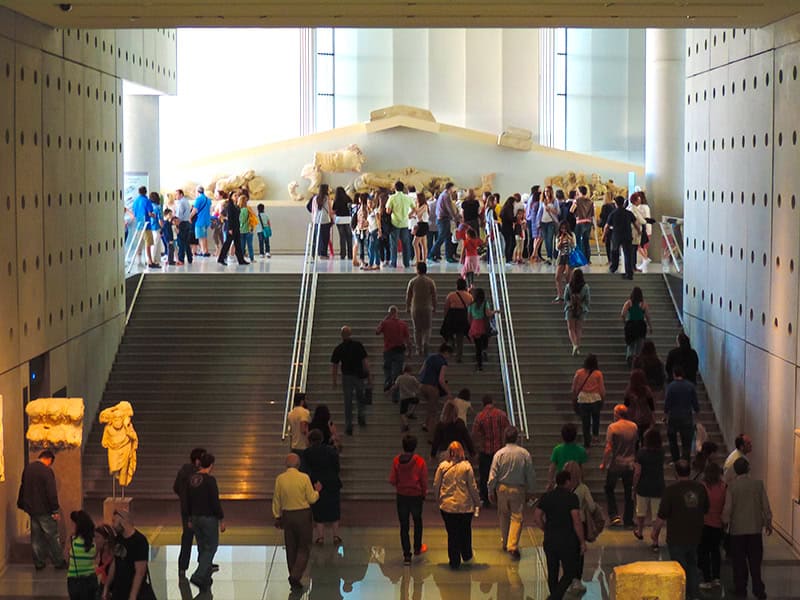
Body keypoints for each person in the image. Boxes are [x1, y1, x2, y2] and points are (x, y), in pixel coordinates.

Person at [650, 460, 709, 600]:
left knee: (679, 569)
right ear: (690, 471)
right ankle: (694, 594)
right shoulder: (700, 488)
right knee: (693, 565)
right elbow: (706, 509)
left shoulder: (671, 490)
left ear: (676, 473)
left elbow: (661, 515)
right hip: (695, 534)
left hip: (676, 536)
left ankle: (681, 594)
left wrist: (654, 533)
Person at [722, 457, 772, 600]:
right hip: (755, 530)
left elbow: (728, 508)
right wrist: (768, 522)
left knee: (739, 563)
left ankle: (740, 589)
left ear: (735, 471)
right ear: (749, 469)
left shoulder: (732, 487)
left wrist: (725, 522)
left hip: (737, 531)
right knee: (755, 563)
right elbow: (765, 506)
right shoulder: (758, 484)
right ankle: (758, 589)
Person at [272, 454, 322, 592]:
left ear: (286, 465)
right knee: (304, 547)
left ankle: (293, 574)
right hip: (303, 515)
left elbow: (276, 499)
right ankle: (295, 575)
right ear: (299, 464)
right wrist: (317, 491)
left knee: (291, 546)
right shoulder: (304, 478)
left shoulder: (280, 479)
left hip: (287, 515)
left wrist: (277, 515)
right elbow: (311, 499)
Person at [534, 470, 585, 600]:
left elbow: (537, 516)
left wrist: (545, 528)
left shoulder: (547, 496)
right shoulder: (571, 497)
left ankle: (554, 595)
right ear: (567, 481)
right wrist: (582, 541)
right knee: (570, 571)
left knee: (553, 571)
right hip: (567, 540)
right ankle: (555, 597)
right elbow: (576, 520)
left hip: (550, 539)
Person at [487, 427, 536, 560]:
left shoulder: (499, 454)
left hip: (501, 488)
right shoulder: (524, 454)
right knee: (516, 517)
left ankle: (505, 542)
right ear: (516, 437)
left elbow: (493, 474)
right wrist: (531, 490)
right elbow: (530, 474)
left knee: (503, 515)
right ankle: (512, 545)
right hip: (518, 489)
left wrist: (490, 490)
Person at [433, 441, 481, 570]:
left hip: (447, 506)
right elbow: (472, 487)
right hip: (465, 506)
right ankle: (466, 555)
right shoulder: (467, 467)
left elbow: (436, 484)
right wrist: (477, 502)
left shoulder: (442, 466)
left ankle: (454, 561)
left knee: (452, 534)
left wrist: (438, 499)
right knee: (465, 531)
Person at [17, 450, 67, 570]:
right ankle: (58, 561)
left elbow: (23, 487)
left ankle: (39, 563)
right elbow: (51, 492)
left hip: (32, 509)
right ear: (49, 459)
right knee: (52, 536)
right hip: (45, 510)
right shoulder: (47, 471)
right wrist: (55, 509)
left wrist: (23, 504)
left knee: (36, 538)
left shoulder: (28, 469)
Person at [185, 453, 225, 591]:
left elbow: (188, 500)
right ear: (211, 465)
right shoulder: (210, 480)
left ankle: (206, 577)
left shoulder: (191, 479)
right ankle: (199, 575)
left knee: (202, 546)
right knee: (211, 547)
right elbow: (215, 501)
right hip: (208, 518)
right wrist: (221, 518)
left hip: (195, 517)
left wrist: (189, 518)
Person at [389, 434, 429, 565]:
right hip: (416, 495)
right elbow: (424, 480)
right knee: (418, 521)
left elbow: (392, 480)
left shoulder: (396, 461)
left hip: (402, 496)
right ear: (415, 446)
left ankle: (407, 555)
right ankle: (417, 547)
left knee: (404, 525)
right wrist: (424, 492)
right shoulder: (420, 461)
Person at [303, 429, 343, 546]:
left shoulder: (307, 453)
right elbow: (337, 467)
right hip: (332, 482)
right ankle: (335, 536)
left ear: (310, 440)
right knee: (334, 508)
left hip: (316, 483)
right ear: (321, 439)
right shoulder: (331, 451)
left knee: (318, 510)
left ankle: (321, 537)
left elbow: (306, 468)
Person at [601, 404, 638, 528]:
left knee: (609, 488)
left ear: (617, 414)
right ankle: (628, 520)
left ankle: (614, 516)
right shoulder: (634, 426)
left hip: (616, 463)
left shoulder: (612, 427)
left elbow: (609, 447)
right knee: (629, 491)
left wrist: (603, 463)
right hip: (630, 463)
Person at [330, 325, 372, 435]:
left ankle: (348, 425)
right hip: (358, 375)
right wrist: (369, 376)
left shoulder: (339, 348)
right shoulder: (358, 346)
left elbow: (335, 365)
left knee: (348, 401)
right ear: (350, 334)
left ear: (341, 335)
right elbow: (365, 362)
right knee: (360, 397)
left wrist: (334, 380)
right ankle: (361, 416)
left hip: (347, 377)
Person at [471, 395, 511, 508]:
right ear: (492, 402)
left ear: (483, 403)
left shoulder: (480, 416)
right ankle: (500, 497)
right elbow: (508, 430)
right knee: (501, 475)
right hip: (500, 451)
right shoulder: (501, 414)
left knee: (485, 476)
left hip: (485, 451)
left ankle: (485, 498)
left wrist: (479, 446)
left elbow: (474, 434)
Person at [561, 460, 595, 594]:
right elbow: (592, 507)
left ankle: (567, 578)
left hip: (564, 522)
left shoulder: (561, 488)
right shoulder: (583, 488)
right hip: (580, 521)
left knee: (566, 551)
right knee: (579, 552)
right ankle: (577, 579)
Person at [173, 447, 207, 577]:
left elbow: (175, 487)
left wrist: (183, 497)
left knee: (187, 538)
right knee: (201, 538)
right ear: (198, 461)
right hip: (196, 510)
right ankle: (203, 564)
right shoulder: (198, 475)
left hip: (185, 510)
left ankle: (182, 567)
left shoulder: (182, 472)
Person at [105, 510, 151, 600]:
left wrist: (132, 596)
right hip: (118, 591)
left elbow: (140, 572)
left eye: (114, 521)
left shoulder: (139, 541)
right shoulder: (118, 538)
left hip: (134, 591)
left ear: (122, 521)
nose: (112, 525)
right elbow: (115, 563)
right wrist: (107, 586)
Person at [632, 427, 665, 545]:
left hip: (643, 485)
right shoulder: (662, 452)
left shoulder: (641, 453)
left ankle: (640, 531)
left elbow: (637, 472)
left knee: (641, 511)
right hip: (658, 485)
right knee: (656, 514)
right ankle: (655, 538)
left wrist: (634, 486)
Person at [698, 462, 726, 590]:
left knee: (703, 552)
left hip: (704, 523)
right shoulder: (723, 487)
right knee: (715, 551)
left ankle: (707, 578)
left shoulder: (702, 486)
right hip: (718, 523)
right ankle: (717, 578)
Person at [664, 364, 700, 463]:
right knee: (686, 441)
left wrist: (665, 414)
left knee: (672, 440)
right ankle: (685, 460)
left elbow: (667, 403)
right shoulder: (690, 386)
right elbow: (695, 403)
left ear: (674, 374)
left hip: (673, 417)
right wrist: (697, 413)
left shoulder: (671, 386)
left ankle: (675, 459)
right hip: (687, 417)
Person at [376, 305, 411, 403]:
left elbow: (377, 331)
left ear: (389, 313)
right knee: (397, 374)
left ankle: (387, 382)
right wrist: (410, 351)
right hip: (399, 351)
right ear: (397, 313)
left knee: (387, 368)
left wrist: (385, 319)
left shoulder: (385, 323)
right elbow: (408, 340)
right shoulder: (403, 324)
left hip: (388, 351)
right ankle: (395, 397)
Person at [571, 354, 606, 448]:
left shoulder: (579, 372)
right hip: (595, 398)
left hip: (583, 399)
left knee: (585, 422)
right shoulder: (598, 374)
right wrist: (603, 397)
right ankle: (595, 436)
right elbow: (601, 388)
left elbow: (574, 387)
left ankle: (587, 443)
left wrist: (574, 397)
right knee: (596, 419)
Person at [418, 343, 452, 435]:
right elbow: (441, 380)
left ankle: (425, 423)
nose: (449, 357)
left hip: (422, 386)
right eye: (449, 354)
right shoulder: (443, 363)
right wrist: (448, 392)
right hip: (432, 388)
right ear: (446, 352)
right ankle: (431, 436)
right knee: (433, 411)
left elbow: (420, 371)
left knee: (430, 406)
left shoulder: (429, 357)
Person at [406, 261, 437, 356]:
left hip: (415, 307)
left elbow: (408, 296)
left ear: (417, 270)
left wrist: (407, 307)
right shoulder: (430, 281)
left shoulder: (413, 281)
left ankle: (418, 349)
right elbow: (434, 296)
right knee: (427, 328)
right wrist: (434, 306)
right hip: (427, 307)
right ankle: (426, 343)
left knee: (417, 329)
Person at [66, 510, 98, 600]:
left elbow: (66, 559)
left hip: (75, 581)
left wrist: (69, 536)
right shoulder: (93, 543)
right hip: (91, 580)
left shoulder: (74, 543)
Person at [441, 278, 473, 362]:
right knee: (460, 338)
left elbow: (446, 308)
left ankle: (451, 348)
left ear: (457, 285)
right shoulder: (469, 296)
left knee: (449, 334)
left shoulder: (451, 295)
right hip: (463, 317)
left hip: (452, 317)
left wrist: (445, 318)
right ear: (465, 286)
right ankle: (459, 356)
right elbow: (471, 310)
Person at [385, 181, 416, 268]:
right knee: (406, 244)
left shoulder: (392, 198)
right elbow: (414, 208)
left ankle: (393, 263)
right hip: (405, 223)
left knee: (394, 245)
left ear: (395, 188)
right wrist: (409, 215)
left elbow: (388, 211)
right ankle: (406, 263)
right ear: (403, 188)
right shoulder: (408, 198)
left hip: (394, 223)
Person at [605, 195, 637, 279]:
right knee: (627, 254)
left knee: (614, 252)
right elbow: (635, 222)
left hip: (616, 235)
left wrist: (604, 235)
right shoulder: (628, 213)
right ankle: (629, 273)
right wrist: (639, 231)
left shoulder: (613, 213)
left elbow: (607, 226)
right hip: (627, 235)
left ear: (615, 203)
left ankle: (613, 268)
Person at [547, 423, 587, 489]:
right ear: (575, 436)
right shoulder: (580, 450)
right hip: (575, 483)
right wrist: (582, 481)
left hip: (561, 482)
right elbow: (581, 469)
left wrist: (550, 482)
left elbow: (552, 468)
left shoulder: (557, 449)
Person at [623, 369, 655, 448]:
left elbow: (626, 404)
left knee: (634, 440)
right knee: (645, 439)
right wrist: (653, 418)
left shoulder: (629, 390)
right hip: (645, 416)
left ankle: (636, 456)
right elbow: (651, 405)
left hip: (632, 417)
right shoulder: (646, 390)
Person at [468, 287, 497, 371]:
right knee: (485, 339)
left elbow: (469, 317)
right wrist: (495, 311)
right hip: (484, 325)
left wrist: (471, 325)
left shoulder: (471, 304)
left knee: (477, 346)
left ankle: (479, 364)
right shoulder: (485, 303)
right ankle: (484, 349)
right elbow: (488, 314)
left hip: (475, 325)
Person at [621, 286, 653, 365]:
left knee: (630, 343)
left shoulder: (628, 303)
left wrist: (625, 322)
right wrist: (650, 326)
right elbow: (647, 316)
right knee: (640, 343)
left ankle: (630, 357)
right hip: (640, 325)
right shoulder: (643, 304)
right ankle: (637, 360)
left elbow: (622, 314)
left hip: (631, 325)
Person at [430, 182, 459, 263]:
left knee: (447, 238)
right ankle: (431, 254)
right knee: (441, 238)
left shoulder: (444, 195)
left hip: (444, 219)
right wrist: (455, 217)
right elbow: (449, 208)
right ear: (450, 188)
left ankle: (448, 256)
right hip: (443, 219)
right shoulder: (446, 196)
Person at [563, 268, 590, 356]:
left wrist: (570, 303)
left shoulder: (568, 286)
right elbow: (587, 300)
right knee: (578, 329)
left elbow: (565, 298)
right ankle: (577, 346)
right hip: (581, 310)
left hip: (570, 308)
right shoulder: (585, 287)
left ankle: (574, 345)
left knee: (571, 328)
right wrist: (582, 305)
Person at [217, 193, 248, 265]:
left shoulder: (235, 205)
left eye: (237, 195)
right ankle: (221, 259)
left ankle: (241, 260)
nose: (237, 197)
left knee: (238, 244)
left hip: (236, 227)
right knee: (227, 244)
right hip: (231, 228)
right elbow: (230, 217)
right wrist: (230, 228)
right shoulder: (230, 206)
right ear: (231, 197)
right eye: (235, 195)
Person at [391, 365, 421, 431]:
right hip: (412, 396)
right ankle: (411, 412)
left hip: (404, 397)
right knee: (416, 401)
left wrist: (390, 390)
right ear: (410, 371)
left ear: (404, 371)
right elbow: (418, 385)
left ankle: (406, 424)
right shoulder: (412, 378)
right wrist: (417, 391)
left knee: (402, 413)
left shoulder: (400, 377)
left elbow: (395, 386)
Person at [553, 221, 576, 302]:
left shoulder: (572, 235)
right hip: (561, 256)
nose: (563, 230)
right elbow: (557, 248)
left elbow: (574, 246)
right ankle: (560, 295)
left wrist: (569, 239)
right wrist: (561, 240)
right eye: (562, 228)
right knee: (557, 276)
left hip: (569, 256)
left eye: (565, 228)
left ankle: (569, 295)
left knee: (568, 276)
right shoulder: (558, 236)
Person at [571, 185, 595, 263]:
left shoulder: (577, 200)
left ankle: (580, 258)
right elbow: (592, 214)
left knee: (578, 241)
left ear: (579, 192)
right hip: (588, 222)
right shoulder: (590, 201)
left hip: (580, 222)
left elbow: (571, 210)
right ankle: (588, 258)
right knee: (586, 241)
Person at [190, 185, 212, 257]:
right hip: (206, 220)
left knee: (200, 237)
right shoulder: (208, 199)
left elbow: (195, 210)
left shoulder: (199, 199)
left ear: (197, 191)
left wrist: (189, 217)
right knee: (204, 236)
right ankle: (206, 250)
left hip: (200, 220)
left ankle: (203, 252)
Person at [311, 183, 333, 258]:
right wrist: (331, 218)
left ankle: (318, 252)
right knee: (325, 237)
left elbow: (313, 210)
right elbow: (330, 210)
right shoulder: (327, 198)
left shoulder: (315, 198)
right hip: (325, 219)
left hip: (316, 219)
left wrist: (313, 219)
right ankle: (323, 253)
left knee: (318, 237)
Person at [93, 524, 116, 593]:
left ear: (106, 539)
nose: (95, 540)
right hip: (103, 585)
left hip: (112, 588)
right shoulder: (101, 550)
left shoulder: (114, 553)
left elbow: (103, 569)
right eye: (94, 537)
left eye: (98, 537)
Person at [173, 188, 193, 265]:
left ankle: (181, 260)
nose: (176, 196)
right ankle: (190, 258)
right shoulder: (186, 201)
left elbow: (179, 215)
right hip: (187, 223)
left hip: (182, 224)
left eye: (177, 194)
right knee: (187, 242)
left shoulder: (180, 203)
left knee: (181, 242)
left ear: (181, 194)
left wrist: (176, 224)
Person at [333, 186, 353, 260]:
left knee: (342, 238)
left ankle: (343, 254)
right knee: (349, 237)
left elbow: (334, 210)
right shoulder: (348, 198)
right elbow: (352, 207)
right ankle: (350, 255)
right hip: (348, 219)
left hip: (339, 220)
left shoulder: (336, 200)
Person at [412, 192, 430, 263]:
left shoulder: (424, 206)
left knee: (415, 243)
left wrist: (414, 210)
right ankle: (423, 261)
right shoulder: (419, 206)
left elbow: (418, 214)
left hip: (423, 225)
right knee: (423, 244)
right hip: (421, 224)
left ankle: (418, 260)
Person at [237, 191, 255, 262]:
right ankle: (252, 258)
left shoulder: (239, 210)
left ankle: (241, 258)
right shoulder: (248, 209)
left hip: (241, 230)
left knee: (242, 246)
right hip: (249, 229)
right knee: (250, 245)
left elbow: (241, 220)